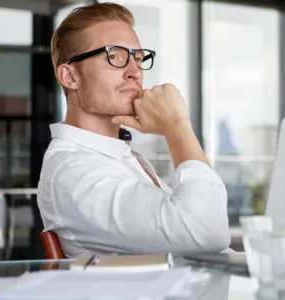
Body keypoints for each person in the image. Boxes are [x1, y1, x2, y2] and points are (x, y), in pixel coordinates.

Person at [37, 2, 229, 258]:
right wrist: (176, 126)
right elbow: (206, 232)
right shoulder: (75, 172)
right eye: (115, 57)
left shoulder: (114, 157)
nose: (135, 72)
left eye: (138, 58)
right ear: (70, 77)